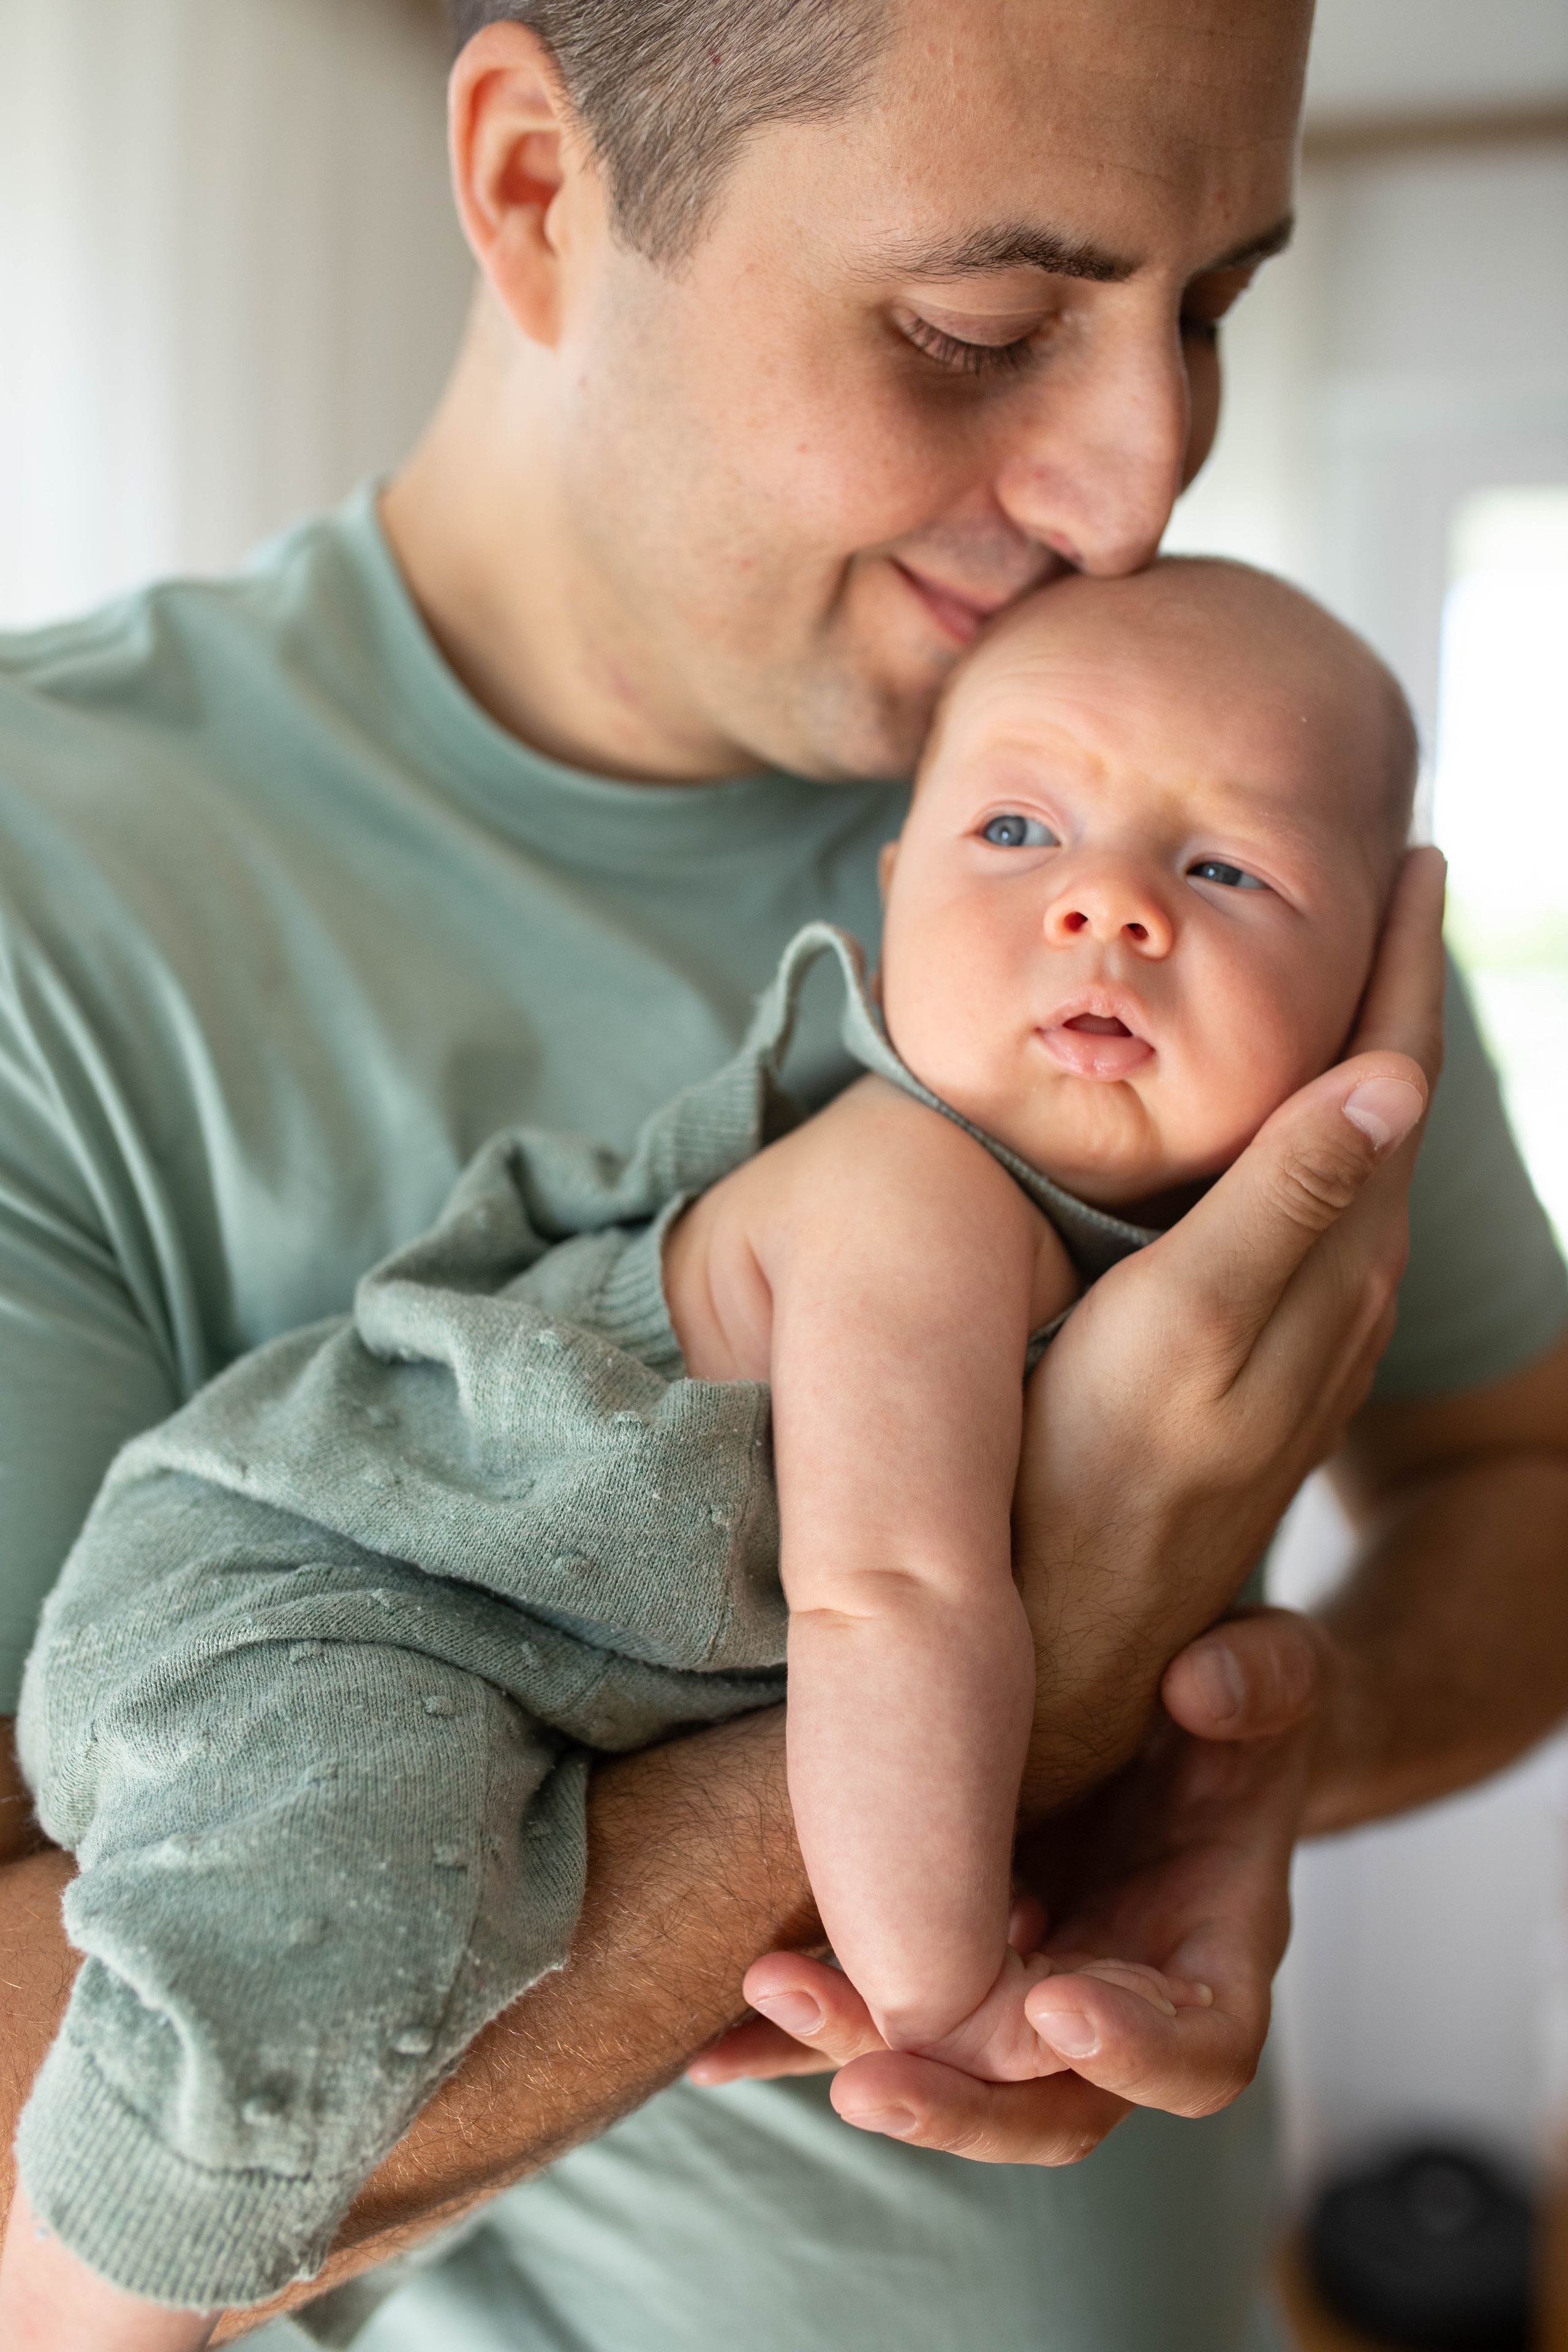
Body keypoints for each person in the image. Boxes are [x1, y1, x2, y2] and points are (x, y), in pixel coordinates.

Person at [0, 4, 1564, 2348]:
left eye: (1213, 305)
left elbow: (1520, 1467)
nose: (1137, 488)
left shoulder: (1179, 802)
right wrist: (1054, 1654)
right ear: (540, 184)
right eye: (981, 328)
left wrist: (1246, 1739)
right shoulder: (49, 898)